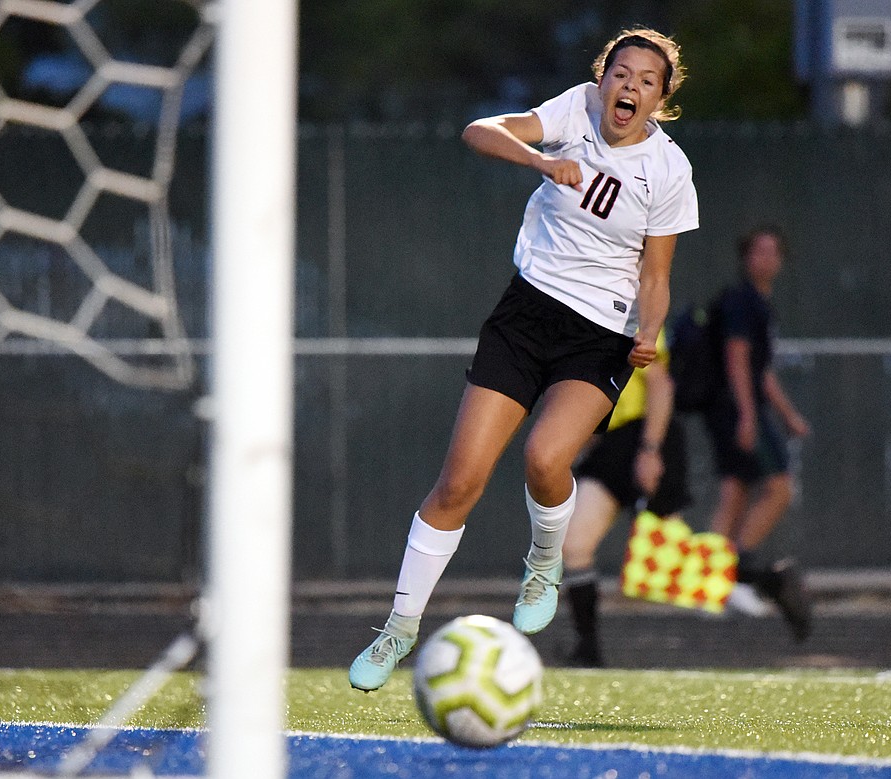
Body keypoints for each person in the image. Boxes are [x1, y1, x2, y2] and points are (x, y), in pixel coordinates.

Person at [348, 27, 700, 692]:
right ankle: (398, 628)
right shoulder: (572, 112)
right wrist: (541, 162)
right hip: (526, 314)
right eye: (620, 73)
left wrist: (650, 329)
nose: (630, 86)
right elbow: (479, 130)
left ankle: (544, 560)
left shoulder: (669, 171)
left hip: (599, 335)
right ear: (602, 80)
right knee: (459, 481)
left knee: (545, 457)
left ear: (661, 98)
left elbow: (657, 275)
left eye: (646, 80)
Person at [704, 226, 813, 641]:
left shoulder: (763, 306)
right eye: (759, 250)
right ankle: (737, 570)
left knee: (734, 492)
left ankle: (713, 585)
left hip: (740, 408)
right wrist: (748, 416)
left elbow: (762, 371)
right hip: (735, 409)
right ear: (745, 257)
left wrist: (788, 415)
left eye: (774, 251)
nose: (767, 258)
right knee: (780, 487)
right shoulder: (741, 302)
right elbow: (737, 360)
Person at [561, 329, 690, 667]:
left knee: (676, 562)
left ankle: (770, 580)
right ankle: (587, 650)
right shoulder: (576, 312)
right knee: (574, 545)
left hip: (644, 436)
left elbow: (660, 384)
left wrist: (650, 449)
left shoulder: (636, 310)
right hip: (609, 447)